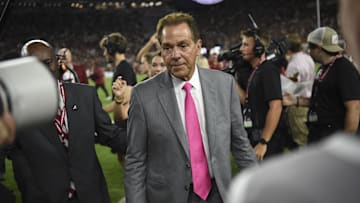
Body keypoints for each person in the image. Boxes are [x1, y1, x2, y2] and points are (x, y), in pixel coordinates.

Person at [125, 12, 256, 203]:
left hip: (218, 193)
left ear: (198, 47)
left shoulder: (224, 85)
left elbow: (241, 145)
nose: (175, 55)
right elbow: (136, 161)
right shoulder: (143, 95)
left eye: (183, 45)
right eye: (167, 48)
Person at [9, 39, 127, 203]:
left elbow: (110, 135)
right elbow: (12, 153)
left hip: (91, 195)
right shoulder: (15, 109)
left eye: (47, 63)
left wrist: (150, 143)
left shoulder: (85, 95)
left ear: (58, 62)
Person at [283, 27, 360, 144]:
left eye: (311, 47)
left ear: (319, 48)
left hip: (333, 134)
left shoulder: (344, 69)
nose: (309, 50)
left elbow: (354, 107)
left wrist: (346, 142)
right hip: (320, 131)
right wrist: (295, 101)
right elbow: (322, 100)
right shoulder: (325, 67)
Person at [239, 29, 283, 160]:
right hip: (256, 134)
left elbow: (276, 106)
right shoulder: (256, 70)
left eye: (246, 45)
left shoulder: (268, 70)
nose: (241, 49)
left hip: (267, 140)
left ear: (258, 48)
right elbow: (246, 101)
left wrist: (264, 142)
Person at [285, 33, 315, 147]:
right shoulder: (308, 58)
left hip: (298, 105)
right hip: (309, 101)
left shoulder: (294, 64)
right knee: (308, 136)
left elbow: (291, 88)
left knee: (301, 140)